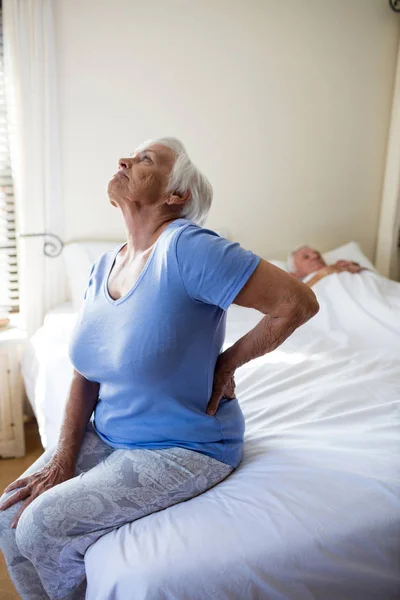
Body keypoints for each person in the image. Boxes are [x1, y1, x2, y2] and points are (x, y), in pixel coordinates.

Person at [0, 137, 319, 600]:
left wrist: (226, 364)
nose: (124, 160)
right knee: (10, 516)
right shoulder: (103, 265)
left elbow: (297, 302)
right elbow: (84, 372)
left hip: (183, 445)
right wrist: (64, 458)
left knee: (40, 527)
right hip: (110, 432)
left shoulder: (189, 249)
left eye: (145, 159)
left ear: (177, 195)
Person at [288, 245, 365, 286]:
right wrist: (321, 275)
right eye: (306, 257)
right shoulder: (302, 287)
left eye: (317, 254)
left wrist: (359, 268)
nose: (315, 256)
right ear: (296, 274)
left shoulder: (342, 266)